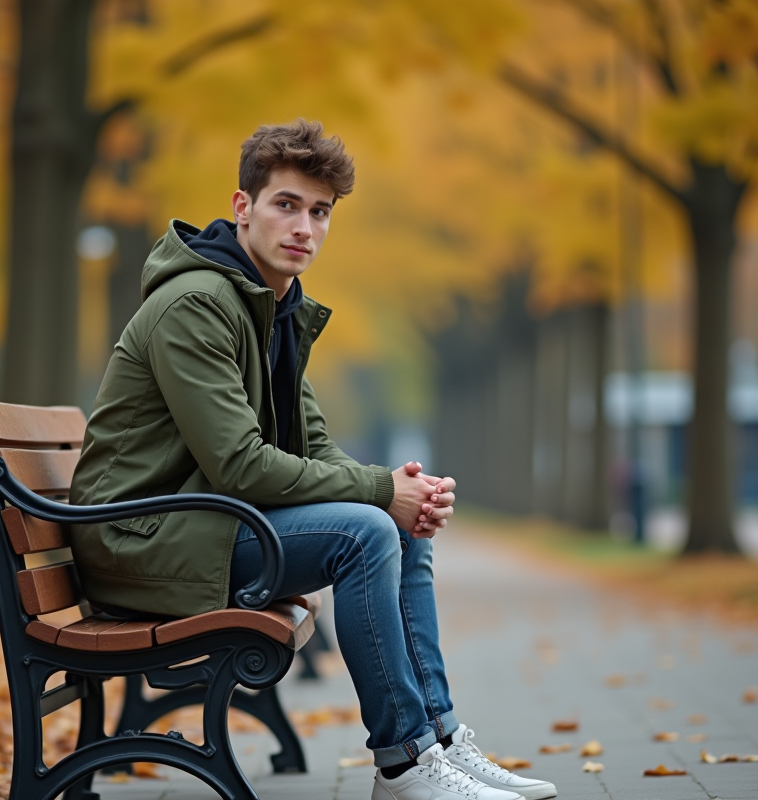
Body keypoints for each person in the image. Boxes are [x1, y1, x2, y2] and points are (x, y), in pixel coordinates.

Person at [70, 119, 558, 800]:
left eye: (320, 212)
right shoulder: (196, 305)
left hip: (196, 526)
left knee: (396, 525)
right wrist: (378, 492)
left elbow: (314, 446)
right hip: (140, 542)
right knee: (367, 532)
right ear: (243, 208)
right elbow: (240, 465)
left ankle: (436, 741)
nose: (305, 226)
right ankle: (404, 766)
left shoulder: (272, 306)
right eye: (286, 205)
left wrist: (399, 490)